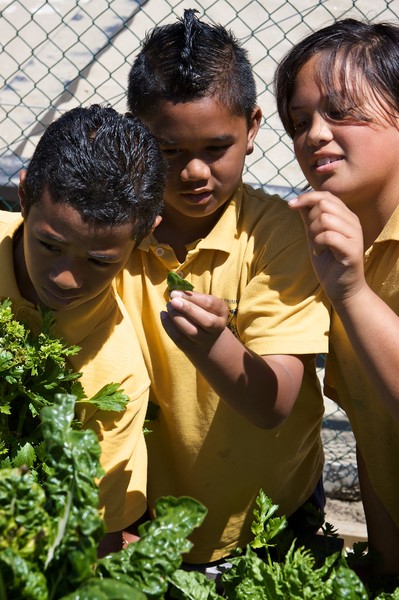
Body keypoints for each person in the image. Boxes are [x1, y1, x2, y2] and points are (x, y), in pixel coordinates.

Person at [117, 9, 330, 571]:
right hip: (142, 523)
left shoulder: (278, 236)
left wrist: (215, 344)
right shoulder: (108, 236)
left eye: (216, 148)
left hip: (270, 522)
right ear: (135, 134)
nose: (193, 172)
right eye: (167, 151)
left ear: (253, 128)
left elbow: (275, 404)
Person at [1, 104, 165, 555]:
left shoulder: (118, 378)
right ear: (23, 198)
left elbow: (94, 538)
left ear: (144, 236)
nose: (64, 278)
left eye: (99, 261)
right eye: (49, 245)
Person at [274, 18, 399, 577]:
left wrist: (351, 292)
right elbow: (376, 436)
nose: (315, 135)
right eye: (300, 122)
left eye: (341, 111)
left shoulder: (345, 272)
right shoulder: (347, 246)